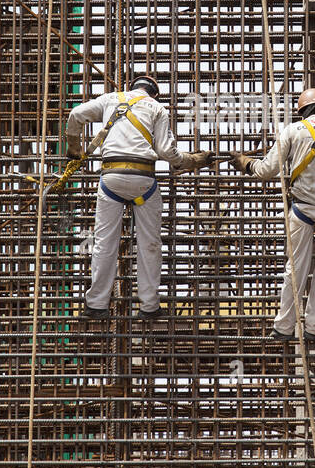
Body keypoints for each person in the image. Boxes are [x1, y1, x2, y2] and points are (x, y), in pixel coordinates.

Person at [65, 74, 212, 319]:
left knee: (103, 243)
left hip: (110, 179)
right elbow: (166, 151)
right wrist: (191, 160)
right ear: (154, 93)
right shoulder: (157, 108)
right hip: (143, 182)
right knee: (149, 244)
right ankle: (149, 306)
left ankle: (96, 305)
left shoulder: (112, 99)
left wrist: (74, 147)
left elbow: (75, 115)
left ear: (132, 88)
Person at [231, 88, 315, 342]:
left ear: (303, 111)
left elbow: (267, 170)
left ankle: (283, 327)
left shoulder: (291, 131)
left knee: (296, 268)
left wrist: (247, 164)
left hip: (302, 210)